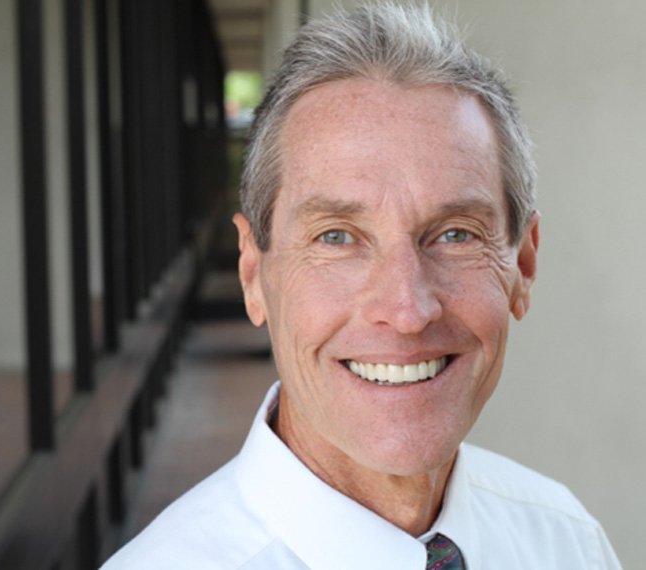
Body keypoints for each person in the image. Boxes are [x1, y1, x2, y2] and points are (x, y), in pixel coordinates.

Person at [102, 3, 621, 568]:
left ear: (522, 264)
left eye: (454, 234)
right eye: (336, 238)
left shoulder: (568, 540)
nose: (406, 309)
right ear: (254, 272)